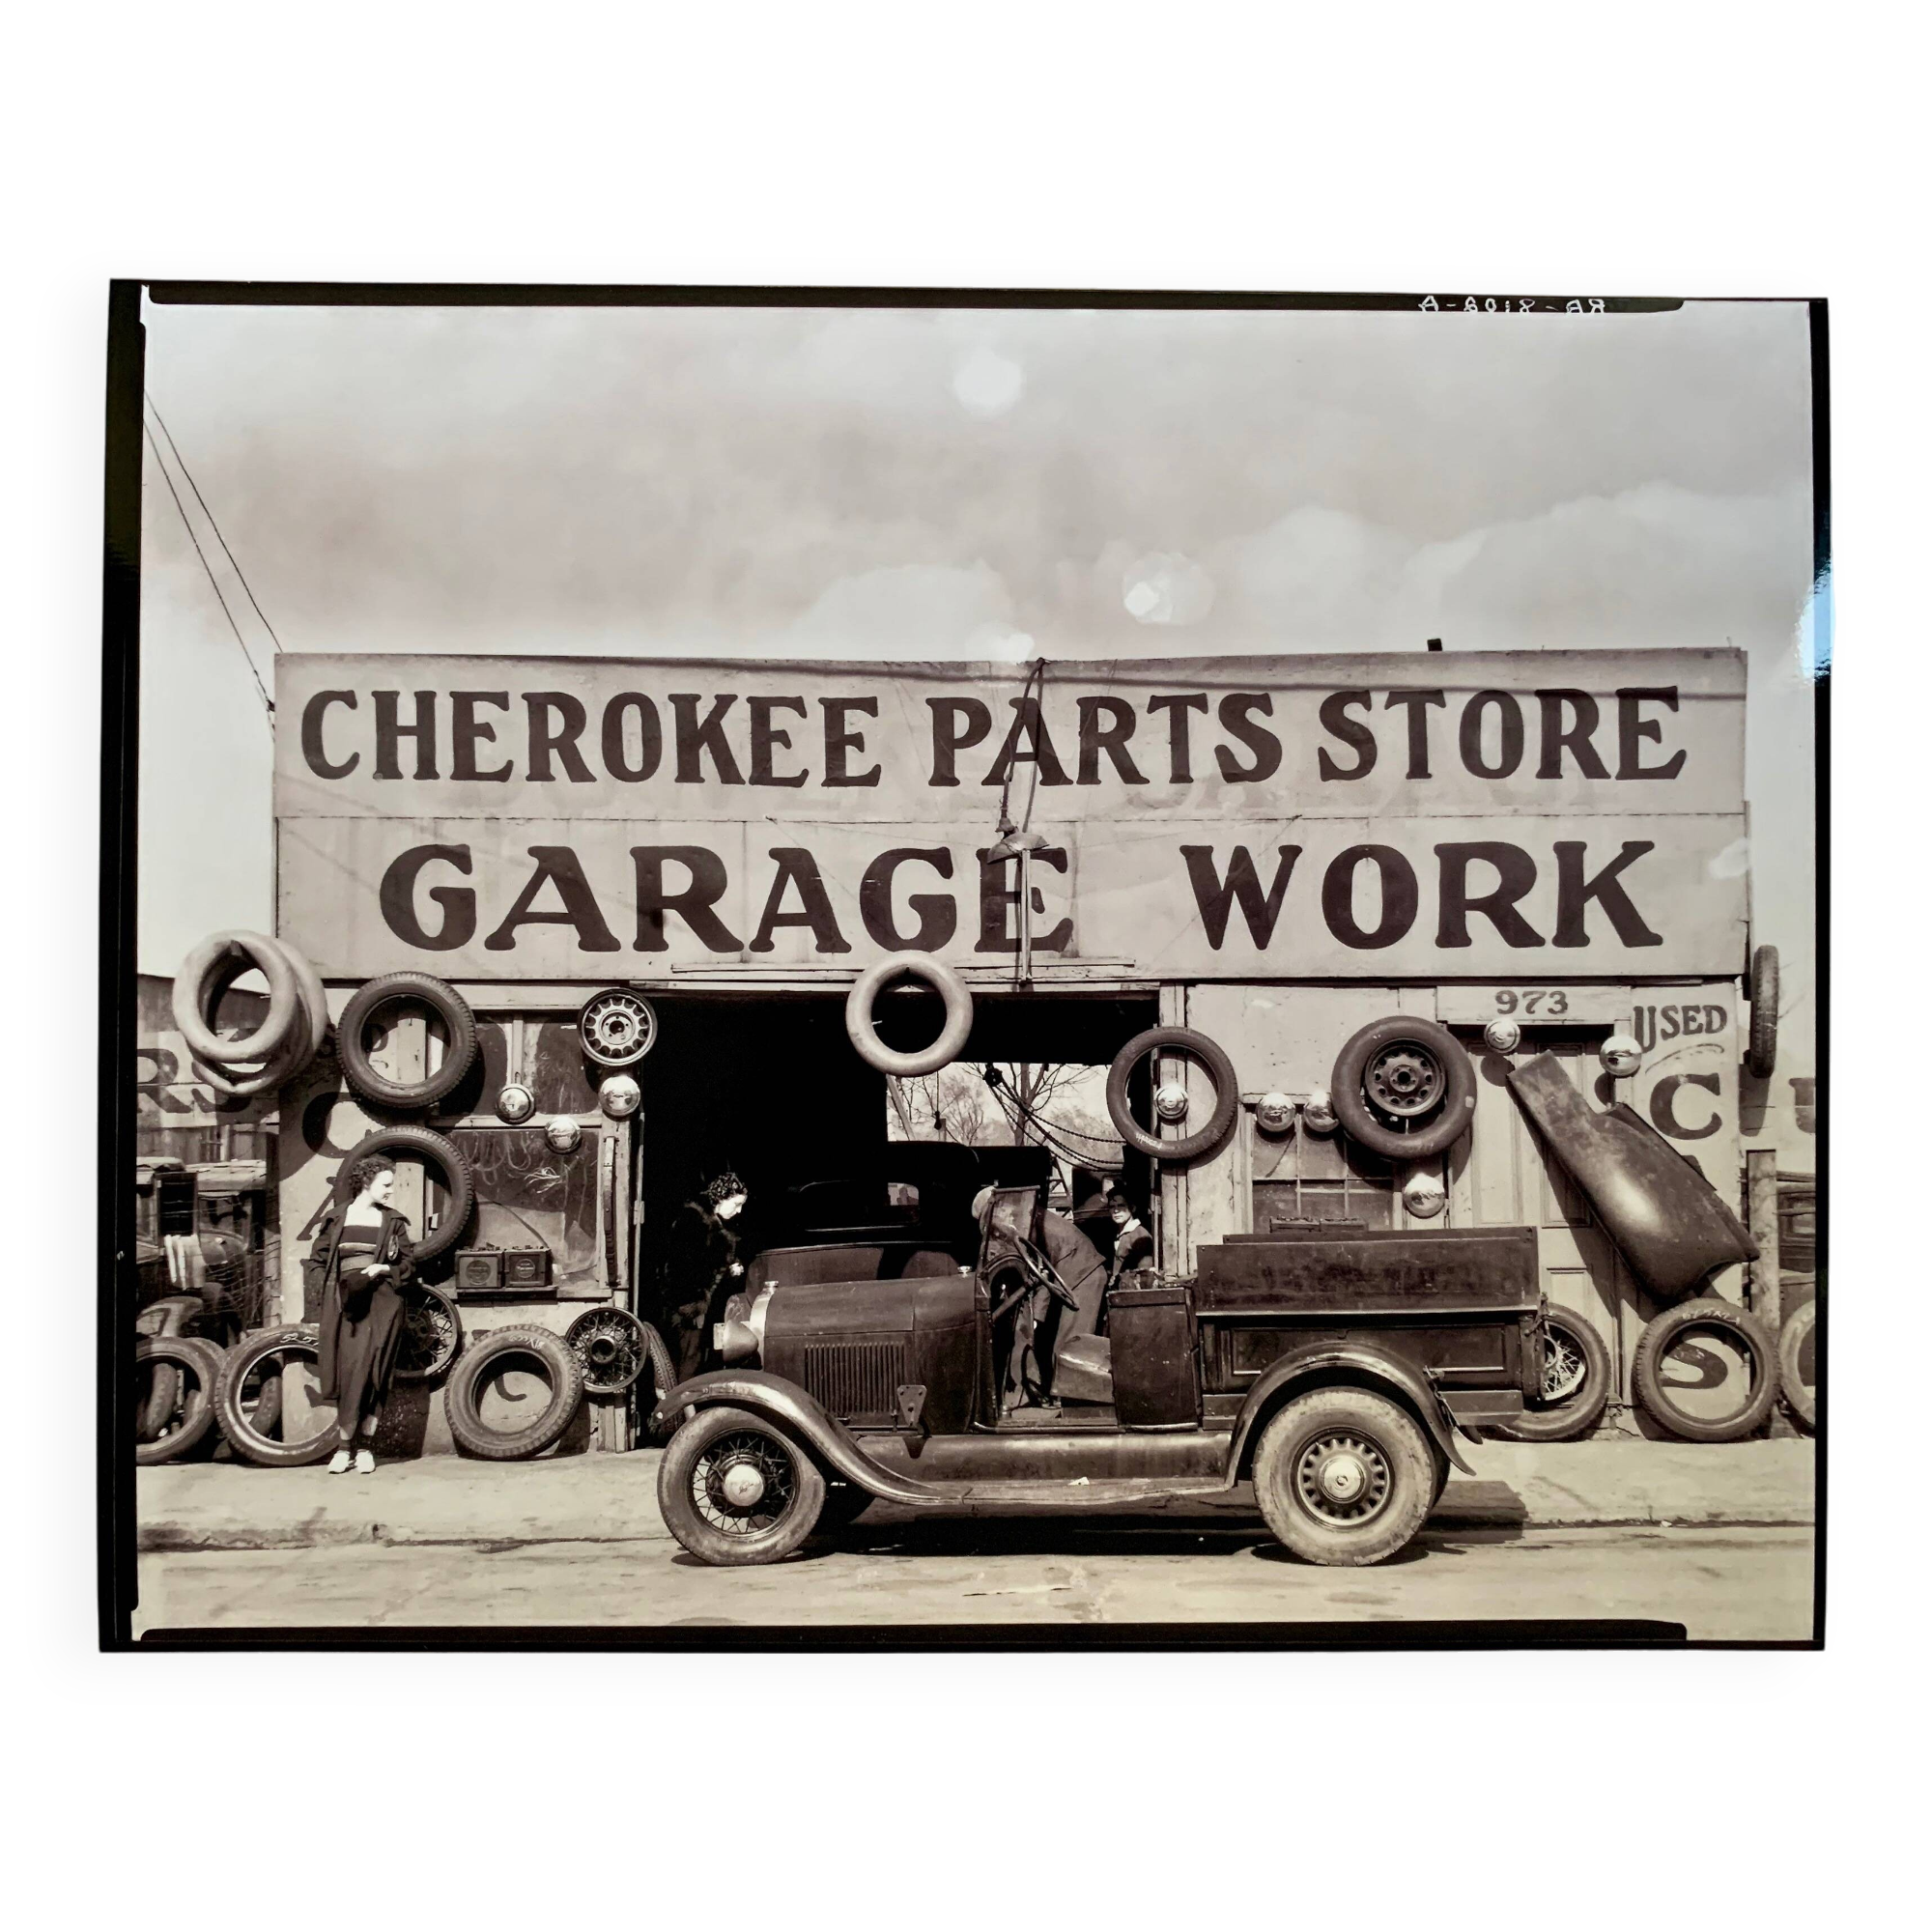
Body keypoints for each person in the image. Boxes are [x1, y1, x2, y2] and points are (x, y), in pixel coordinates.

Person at [304, 1155, 416, 1475]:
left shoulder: (393, 1222)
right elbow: (317, 1260)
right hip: (346, 1307)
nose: (391, 1191)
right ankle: (343, 1450)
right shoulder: (337, 1218)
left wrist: (384, 1268)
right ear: (366, 1183)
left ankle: (365, 1449)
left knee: (375, 1373)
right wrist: (329, 1293)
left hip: (382, 1306)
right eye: (386, 1185)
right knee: (349, 1372)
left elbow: (408, 1265)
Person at [972, 1184, 1106, 1410]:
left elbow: (1040, 1271)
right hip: (1071, 1276)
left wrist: (1036, 1317)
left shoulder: (1026, 1223)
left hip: (1084, 1276)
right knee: (1056, 1344)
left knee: (1070, 1347)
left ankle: (1074, 1408)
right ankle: (1058, 1399)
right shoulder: (1027, 1219)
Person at [664, 1171, 751, 1382]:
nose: (738, 1211)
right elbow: (683, 1268)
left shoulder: (719, 1223)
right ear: (721, 1197)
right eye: (736, 1204)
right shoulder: (694, 1222)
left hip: (704, 1308)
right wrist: (693, 1307)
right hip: (688, 1307)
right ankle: (682, 1410)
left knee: (698, 1361)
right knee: (688, 1362)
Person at [1105, 1189, 1154, 1288]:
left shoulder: (1140, 1236)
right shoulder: (1120, 1234)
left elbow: (1145, 1275)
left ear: (1132, 1208)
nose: (1116, 1210)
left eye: (1121, 1206)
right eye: (1112, 1207)